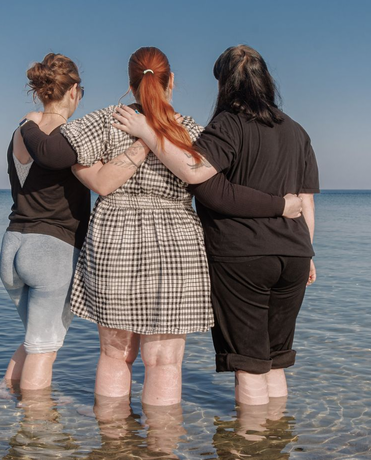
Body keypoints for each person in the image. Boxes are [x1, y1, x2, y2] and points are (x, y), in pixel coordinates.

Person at [21, 46, 304, 406]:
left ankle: (114, 445)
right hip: (177, 243)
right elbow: (223, 188)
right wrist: (282, 208)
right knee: (165, 362)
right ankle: (162, 446)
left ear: (130, 83)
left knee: (114, 356)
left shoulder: (109, 118)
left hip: (114, 239)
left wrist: (86, 170)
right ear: (171, 83)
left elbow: (56, 153)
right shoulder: (191, 130)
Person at [113, 44, 319, 406]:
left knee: (250, 366)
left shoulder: (228, 124)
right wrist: (309, 253)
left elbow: (197, 172)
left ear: (225, 84)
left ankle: (250, 446)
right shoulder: (298, 132)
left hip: (243, 258)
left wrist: (147, 133)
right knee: (275, 363)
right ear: (266, 79)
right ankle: (275, 442)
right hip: (296, 254)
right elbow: (306, 203)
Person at [0, 53, 146, 398]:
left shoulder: (22, 131)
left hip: (12, 246)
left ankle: (2, 391)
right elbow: (103, 180)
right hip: (52, 251)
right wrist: (145, 144)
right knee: (45, 347)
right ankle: (36, 426)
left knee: (36, 337)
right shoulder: (71, 140)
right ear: (74, 91)